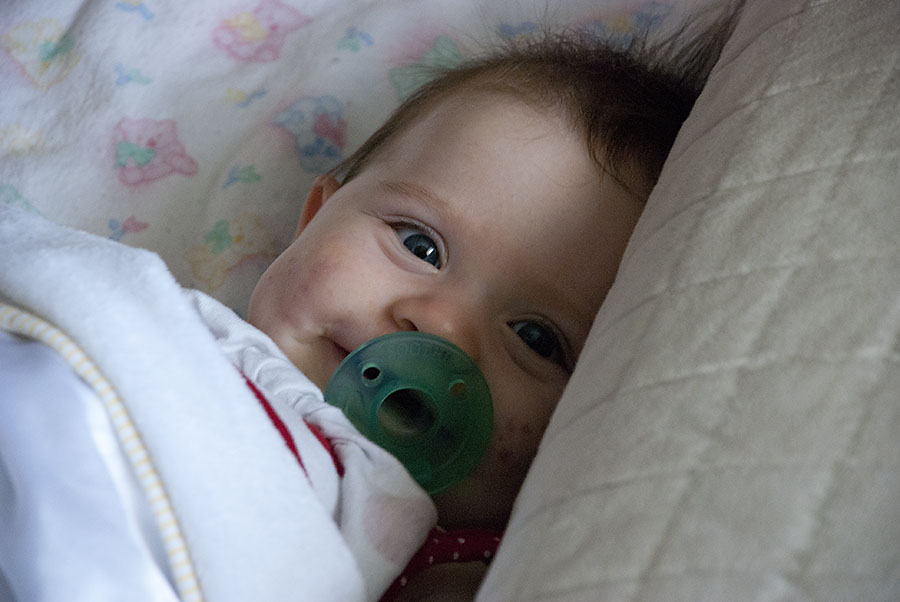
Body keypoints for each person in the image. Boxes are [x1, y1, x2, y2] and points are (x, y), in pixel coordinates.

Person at [0, 7, 738, 602]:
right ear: (315, 215)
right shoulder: (173, 330)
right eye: (420, 245)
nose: (439, 323)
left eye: (537, 338)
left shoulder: (444, 559)